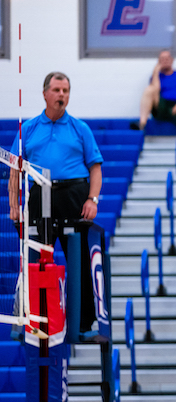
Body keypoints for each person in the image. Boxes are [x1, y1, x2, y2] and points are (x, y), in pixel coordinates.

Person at [7, 72, 103, 332]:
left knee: (81, 259)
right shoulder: (28, 129)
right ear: (45, 94)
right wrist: (14, 205)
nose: (62, 95)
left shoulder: (80, 128)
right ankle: (40, 320)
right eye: (57, 90)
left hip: (74, 193)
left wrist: (92, 199)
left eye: (66, 91)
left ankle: (83, 321)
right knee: (38, 259)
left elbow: (95, 168)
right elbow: (16, 170)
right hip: (41, 195)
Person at [135, 50, 176, 146]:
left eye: (167, 58)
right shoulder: (156, 76)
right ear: (158, 61)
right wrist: (155, 72)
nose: (165, 61)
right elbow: (155, 90)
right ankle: (142, 124)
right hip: (162, 106)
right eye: (162, 59)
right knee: (149, 89)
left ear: (172, 60)